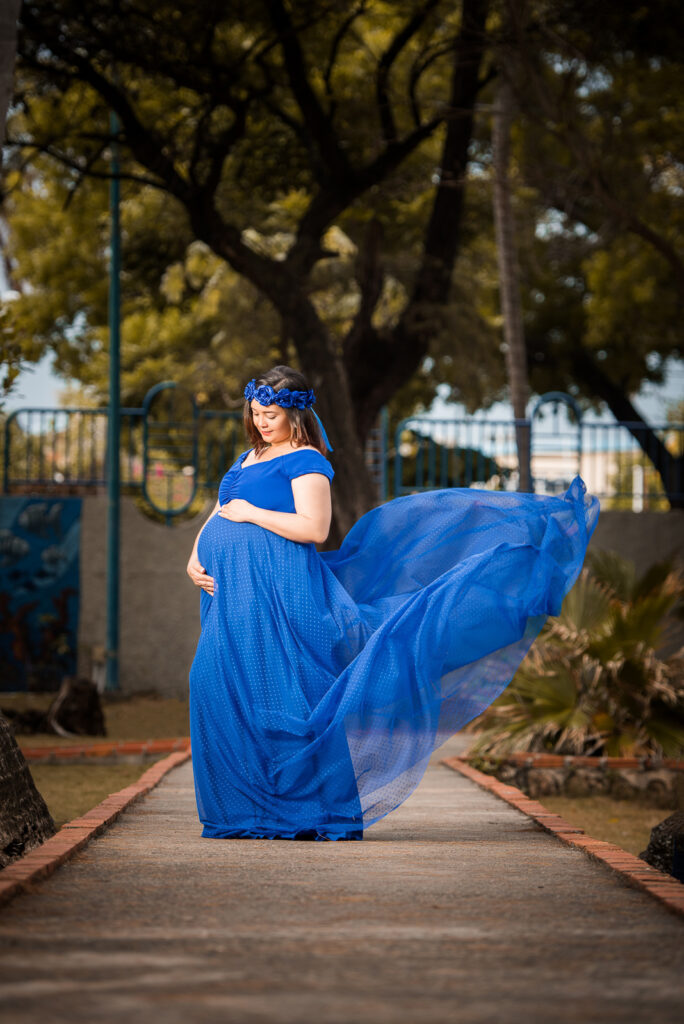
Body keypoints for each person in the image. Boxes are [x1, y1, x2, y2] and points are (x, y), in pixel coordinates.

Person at [187, 365, 599, 841]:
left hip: (280, 594)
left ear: (296, 414)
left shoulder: (306, 461)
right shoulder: (250, 456)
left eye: (271, 414)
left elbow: (314, 529)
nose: (261, 422)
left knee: (284, 694)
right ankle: (241, 810)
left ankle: (299, 811)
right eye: (256, 412)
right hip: (233, 596)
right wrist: (195, 556)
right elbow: (222, 508)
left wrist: (251, 514)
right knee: (216, 685)